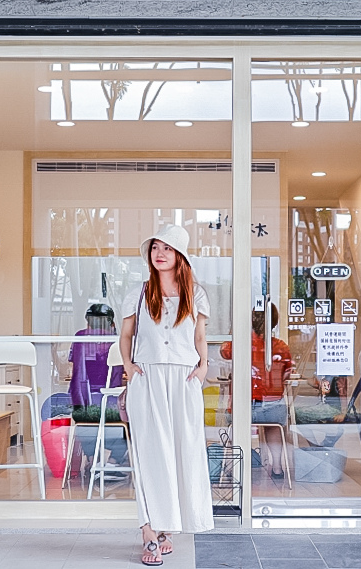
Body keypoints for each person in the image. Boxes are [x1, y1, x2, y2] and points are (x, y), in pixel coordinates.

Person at [120, 224, 213, 566]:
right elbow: (126, 335)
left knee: (180, 453)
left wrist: (202, 368)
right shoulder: (140, 293)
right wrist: (129, 367)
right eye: (155, 247)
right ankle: (149, 532)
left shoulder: (196, 294)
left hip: (184, 380)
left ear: (180, 257)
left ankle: (168, 528)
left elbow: (200, 337)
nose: (159, 253)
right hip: (148, 379)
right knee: (148, 455)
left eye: (167, 248)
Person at [220, 303, 293, 480]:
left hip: (243, 407)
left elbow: (224, 351)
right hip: (272, 407)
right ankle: (277, 467)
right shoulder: (281, 347)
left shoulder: (239, 344)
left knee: (235, 426)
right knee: (273, 425)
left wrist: (237, 329)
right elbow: (287, 373)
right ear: (275, 323)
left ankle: (231, 468)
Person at [69, 304, 128, 474]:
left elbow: (75, 369)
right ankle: (114, 460)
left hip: (83, 404)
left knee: (86, 424)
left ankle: (92, 459)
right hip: (113, 405)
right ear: (111, 324)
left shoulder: (80, 337)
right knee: (133, 420)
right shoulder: (118, 340)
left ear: (88, 322)